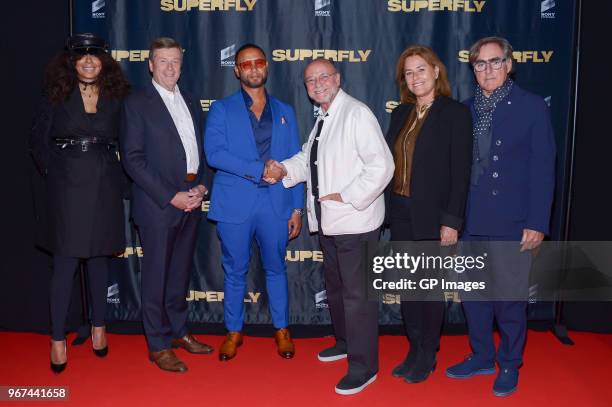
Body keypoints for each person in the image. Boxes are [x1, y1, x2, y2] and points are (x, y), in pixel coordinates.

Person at [266, 58, 394, 395]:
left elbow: (382, 166)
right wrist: (283, 169)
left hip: (356, 222)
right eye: (310, 80)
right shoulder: (324, 116)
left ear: (338, 78)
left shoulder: (356, 113)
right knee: (337, 289)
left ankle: (365, 366)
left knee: (357, 297)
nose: (318, 83)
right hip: (331, 224)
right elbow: (308, 159)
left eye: (324, 76)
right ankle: (345, 342)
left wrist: (349, 196)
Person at [445, 37, 555, 397]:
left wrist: (537, 222)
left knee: (509, 300)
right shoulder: (464, 109)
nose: (487, 70)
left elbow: (543, 169)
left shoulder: (532, 107)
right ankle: (481, 356)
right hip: (471, 219)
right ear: (473, 69)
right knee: (474, 297)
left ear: (509, 65)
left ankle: (509, 363)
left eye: (495, 62)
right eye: (480, 64)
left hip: (512, 221)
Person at [29, 33, 130, 374]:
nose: (88, 61)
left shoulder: (117, 95)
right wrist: (55, 172)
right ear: (71, 61)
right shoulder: (56, 92)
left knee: (100, 259)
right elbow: (37, 139)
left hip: (104, 182)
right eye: (81, 56)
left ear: (105, 61)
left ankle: (99, 325)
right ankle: (57, 338)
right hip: (65, 186)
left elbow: (128, 141)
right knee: (65, 264)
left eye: (95, 55)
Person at [204, 43, 304, 361]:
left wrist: (298, 207)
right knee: (235, 271)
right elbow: (215, 154)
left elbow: (297, 162)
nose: (253, 68)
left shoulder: (285, 111)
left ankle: (282, 330)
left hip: (276, 203)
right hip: (235, 202)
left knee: (276, 268)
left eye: (258, 62)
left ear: (267, 66)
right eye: (245, 64)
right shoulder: (221, 109)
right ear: (237, 71)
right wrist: (258, 169)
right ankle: (234, 331)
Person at [120, 37, 213, 373]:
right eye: (163, 61)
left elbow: (200, 151)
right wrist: (171, 196)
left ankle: (178, 331)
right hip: (159, 204)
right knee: (156, 277)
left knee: (179, 275)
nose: (170, 67)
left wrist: (202, 186)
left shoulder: (191, 99)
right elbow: (133, 159)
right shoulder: (136, 103)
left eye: (175, 61)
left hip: (192, 198)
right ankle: (157, 344)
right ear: (150, 65)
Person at [386, 45, 472, 383]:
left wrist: (451, 221)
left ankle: (427, 353)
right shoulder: (399, 114)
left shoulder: (454, 113)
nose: (415, 77)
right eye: (409, 72)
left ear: (437, 72)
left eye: (421, 69)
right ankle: (414, 347)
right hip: (401, 211)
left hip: (434, 215)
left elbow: (461, 172)